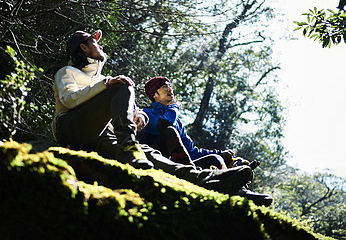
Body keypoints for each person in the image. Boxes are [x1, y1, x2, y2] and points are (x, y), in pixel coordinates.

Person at [51, 30, 255, 196]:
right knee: (123, 85)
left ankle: (203, 180)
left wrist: (140, 115)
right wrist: (107, 84)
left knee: (149, 155)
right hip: (71, 129)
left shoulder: (106, 81)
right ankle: (129, 147)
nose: (100, 45)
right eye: (94, 42)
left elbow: (132, 109)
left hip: (102, 138)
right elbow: (70, 100)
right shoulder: (68, 73)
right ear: (83, 48)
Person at [138, 76, 273, 206]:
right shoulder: (147, 113)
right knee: (169, 131)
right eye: (164, 87)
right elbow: (165, 124)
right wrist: (175, 107)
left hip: (182, 165)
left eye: (170, 86)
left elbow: (191, 151)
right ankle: (192, 175)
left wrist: (220, 154)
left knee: (214, 159)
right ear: (154, 95)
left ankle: (236, 190)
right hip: (158, 163)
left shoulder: (177, 122)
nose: (170, 89)